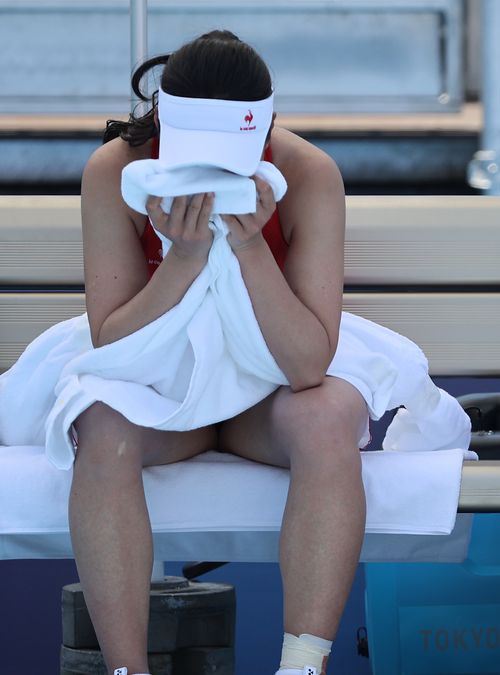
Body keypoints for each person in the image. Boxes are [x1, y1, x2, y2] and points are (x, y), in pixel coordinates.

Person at [80, 30, 360, 675]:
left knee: (327, 417)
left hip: (267, 391)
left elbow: (307, 365)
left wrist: (252, 247)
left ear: (263, 134)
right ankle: (126, 670)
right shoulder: (114, 171)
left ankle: (302, 665)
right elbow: (113, 340)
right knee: (101, 425)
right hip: (162, 386)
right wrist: (181, 258)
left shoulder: (307, 173)